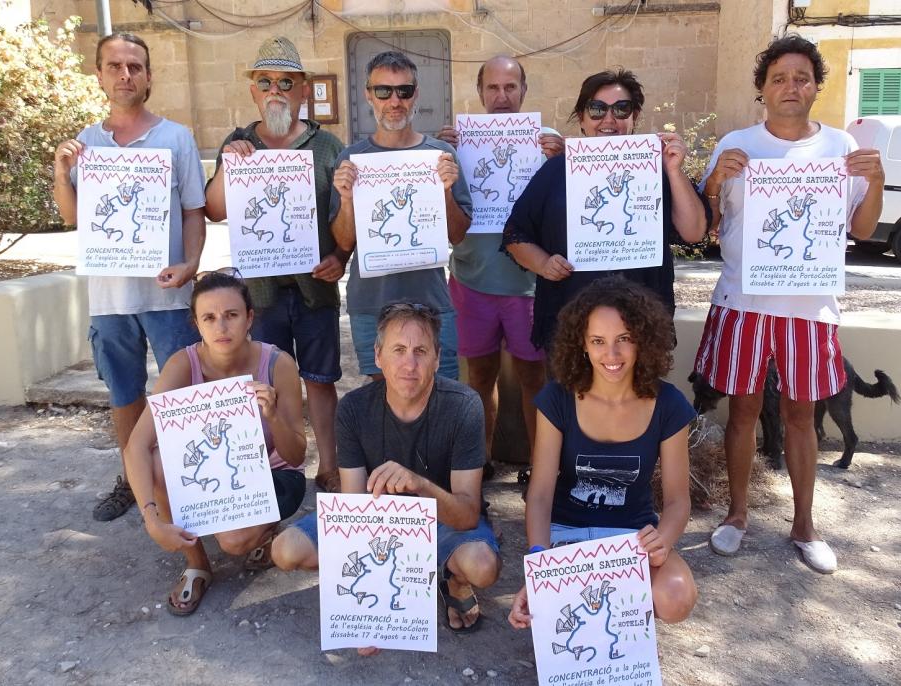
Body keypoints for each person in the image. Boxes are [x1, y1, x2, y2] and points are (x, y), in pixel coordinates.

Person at [694, 34, 885, 574]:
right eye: (779, 78)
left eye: (802, 78)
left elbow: (863, 228)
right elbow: (707, 227)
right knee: (743, 411)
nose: (791, 87)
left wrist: (877, 180)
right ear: (763, 88)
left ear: (816, 87)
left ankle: (804, 525)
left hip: (810, 306)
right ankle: (736, 516)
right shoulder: (737, 142)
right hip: (743, 301)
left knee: (802, 415)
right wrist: (715, 180)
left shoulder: (841, 146)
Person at [271, 303, 501, 643]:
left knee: (481, 566)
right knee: (286, 550)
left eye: (421, 351)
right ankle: (406, 579)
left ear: (437, 358)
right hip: (375, 521)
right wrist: (369, 610)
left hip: (442, 519)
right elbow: (353, 509)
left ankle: (453, 579)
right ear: (378, 356)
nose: (410, 364)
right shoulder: (353, 408)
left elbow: (467, 514)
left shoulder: (464, 406)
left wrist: (421, 485)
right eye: (398, 350)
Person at [52, 33, 206, 522]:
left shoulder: (176, 138)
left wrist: (191, 264)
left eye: (135, 66)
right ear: (99, 75)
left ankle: (187, 483)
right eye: (115, 66)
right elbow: (72, 217)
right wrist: (60, 171)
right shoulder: (86, 144)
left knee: (181, 395)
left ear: (148, 76)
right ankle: (131, 481)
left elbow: (194, 211)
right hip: (110, 298)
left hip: (167, 296)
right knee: (124, 395)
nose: (125, 75)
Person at [508, 277, 698, 630]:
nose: (611, 355)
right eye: (598, 341)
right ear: (581, 343)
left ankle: (626, 626)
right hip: (566, 533)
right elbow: (540, 493)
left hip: (633, 537)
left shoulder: (669, 404)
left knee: (676, 599)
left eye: (623, 339)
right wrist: (538, 563)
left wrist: (663, 540)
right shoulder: (558, 398)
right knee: (566, 628)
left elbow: (677, 500)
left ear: (642, 339)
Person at [204, 37, 348, 494]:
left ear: (303, 90)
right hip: (259, 296)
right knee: (264, 384)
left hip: (315, 290)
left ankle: (329, 467)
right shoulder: (238, 143)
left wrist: (340, 258)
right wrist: (228, 166)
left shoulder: (327, 146)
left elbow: (345, 217)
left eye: (286, 82)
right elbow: (214, 209)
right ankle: (272, 470)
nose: (275, 91)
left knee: (320, 380)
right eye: (265, 82)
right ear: (253, 91)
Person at [124, 270, 309, 616]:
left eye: (231, 315)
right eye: (209, 317)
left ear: (250, 318)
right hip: (215, 472)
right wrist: (151, 519)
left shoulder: (278, 364)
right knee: (158, 457)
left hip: (273, 473)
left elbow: (297, 455)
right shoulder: (183, 365)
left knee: (235, 541)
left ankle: (266, 531)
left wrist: (272, 416)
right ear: (196, 324)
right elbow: (135, 446)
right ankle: (196, 564)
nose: (221, 327)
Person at [502, 68, 708, 352]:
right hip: (570, 320)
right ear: (582, 118)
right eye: (597, 109)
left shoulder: (657, 170)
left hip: (641, 321)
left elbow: (694, 232)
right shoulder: (556, 170)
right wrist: (543, 264)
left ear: (635, 116)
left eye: (621, 109)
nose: (609, 119)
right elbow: (515, 232)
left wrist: (673, 170)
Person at [432, 55, 559, 468]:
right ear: (480, 92)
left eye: (510, 87)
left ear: (524, 90)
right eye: (492, 87)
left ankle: (539, 468)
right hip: (472, 281)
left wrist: (563, 160)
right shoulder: (455, 145)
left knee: (534, 379)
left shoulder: (548, 142)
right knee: (480, 379)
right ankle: (480, 462)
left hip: (530, 286)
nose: (501, 96)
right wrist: (437, 156)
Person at [329, 51, 474, 381]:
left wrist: (446, 192)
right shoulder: (351, 158)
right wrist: (347, 200)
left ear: (415, 94)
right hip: (372, 305)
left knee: (442, 396)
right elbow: (344, 241)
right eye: (383, 91)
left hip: (431, 303)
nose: (394, 101)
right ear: (369, 95)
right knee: (382, 401)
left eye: (403, 91)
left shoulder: (441, 155)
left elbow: (457, 234)